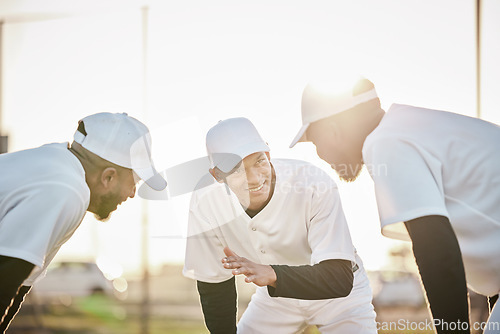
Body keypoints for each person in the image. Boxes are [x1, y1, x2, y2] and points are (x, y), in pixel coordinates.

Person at [290, 76, 500, 334]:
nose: (320, 155)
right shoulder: (410, 128)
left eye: (315, 142)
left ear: (333, 129)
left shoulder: (386, 142)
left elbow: (436, 251)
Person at [183, 117, 377, 334]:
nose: (254, 178)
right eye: (236, 169)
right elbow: (214, 286)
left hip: (340, 300)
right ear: (217, 174)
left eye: (259, 161)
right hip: (276, 300)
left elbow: (338, 278)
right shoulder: (205, 203)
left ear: (268, 154)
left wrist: (272, 274)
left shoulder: (313, 184)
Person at [0, 112, 166, 332]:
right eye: (135, 180)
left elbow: (17, 287)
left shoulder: (56, 164)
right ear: (108, 177)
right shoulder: (67, 190)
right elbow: (4, 282)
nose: (133, 193)